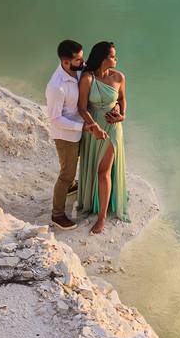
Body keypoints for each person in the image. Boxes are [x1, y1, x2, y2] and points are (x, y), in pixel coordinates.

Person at [45, 39, 105, 230]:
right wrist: (83, 128)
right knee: (66, 174)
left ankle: (71, 187)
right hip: (65, 135)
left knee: (74, 166)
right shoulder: (56, 87)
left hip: (80, 128)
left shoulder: (77, 70)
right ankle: (57, 215)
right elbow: (55, 119)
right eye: (79, 60)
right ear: (66, 62)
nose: (83, 62)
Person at [76, 41, 128, 234]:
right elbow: (82, 108)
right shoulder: (88, 79)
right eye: (113, 56)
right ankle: (94, 204)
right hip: (93, 129)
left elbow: (122, 99)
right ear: (103, 58)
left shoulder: (119, 77)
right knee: (94, 167)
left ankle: (102, 218)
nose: (116, 59)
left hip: (113, 128)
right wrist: (94, 126)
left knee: (103, 170)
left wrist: (122, 115)